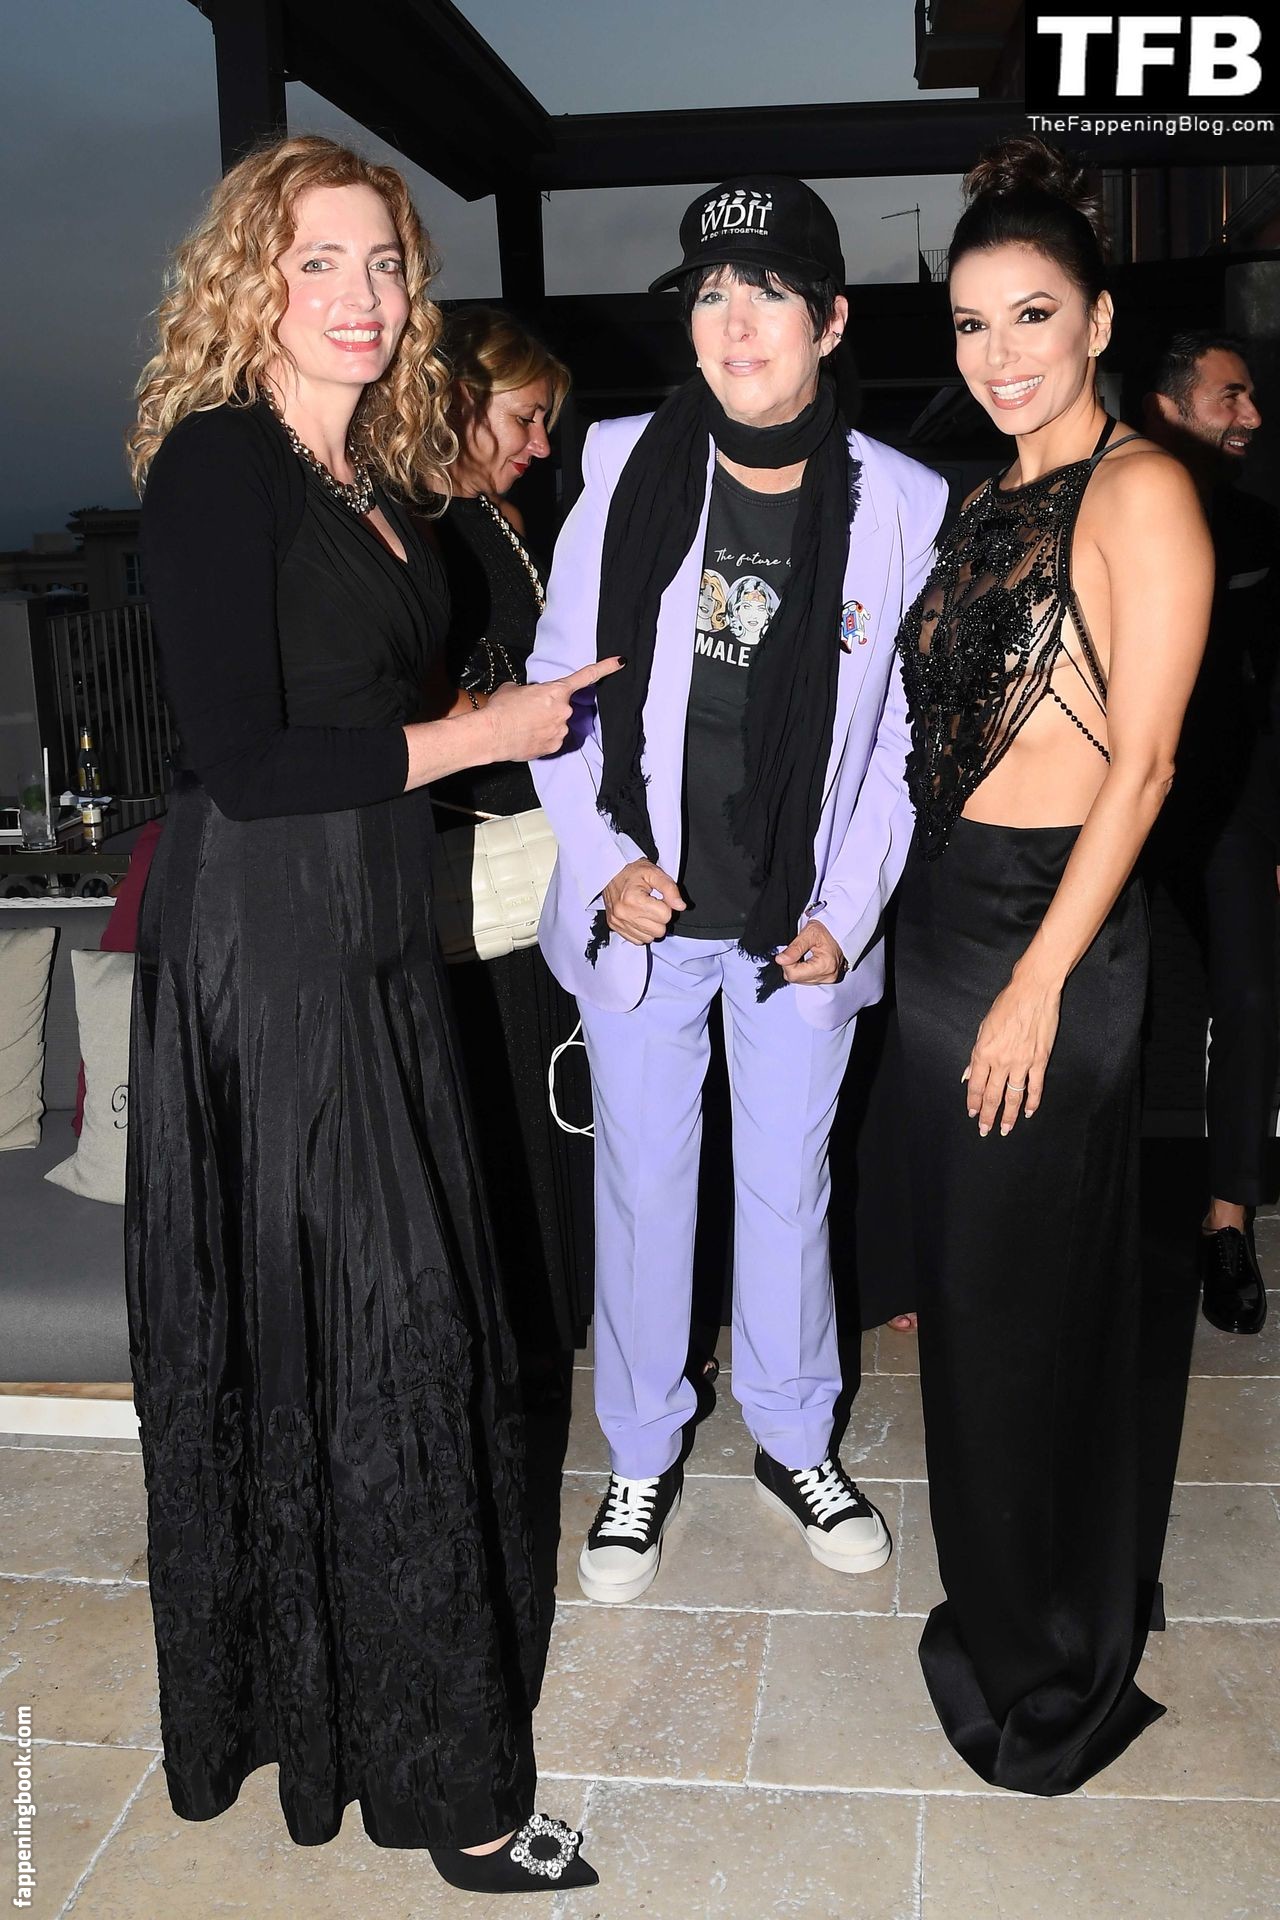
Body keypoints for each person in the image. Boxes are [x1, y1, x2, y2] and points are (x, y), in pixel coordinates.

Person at [124, 134, 618, 1892]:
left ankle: (375, 1708)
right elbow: (246, 760)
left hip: (382, 929)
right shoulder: (220, 462)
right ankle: (451, 1795)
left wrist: (513, 710)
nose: (360, 294)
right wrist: (483, 735)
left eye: (385, 264)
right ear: (250, 282)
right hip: (273, 942)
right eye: (320, 261)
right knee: (386, 1341)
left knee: (409, 1340)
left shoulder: (377, 477)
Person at [527, 175, 947, 1604]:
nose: (733, 321)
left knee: (785, 1192)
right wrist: (609, 866)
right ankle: (641, 1452)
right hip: (645, 917)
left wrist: (851, 906)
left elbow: (899, 740)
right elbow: (560, 694)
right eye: (710, 294)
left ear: (829, 321)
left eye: (766, 292)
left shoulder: (903, 503)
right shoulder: (622, 463)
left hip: (795, 925)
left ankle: (792, 1436)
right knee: (645, 1189)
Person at [893, 136, 1213, 1794]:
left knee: (1034, 1314)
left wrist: (1035, 983)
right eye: (971, 322)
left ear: (1096, 322)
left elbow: (1141, 770)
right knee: (973, 1307)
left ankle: (1058, 1664)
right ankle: (1006, 1604)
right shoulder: (980, 500)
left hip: (1052, 944)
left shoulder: (1143, 491)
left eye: (1032, 314)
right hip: (945, 932)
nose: (1000, 351)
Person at [428, 307, 594, 1374]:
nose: (539, 444)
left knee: (547, 1090)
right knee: (502, 1101)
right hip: (471, 859)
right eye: (526, 418)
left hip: (536, 849)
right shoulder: (417, 519)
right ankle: (521, 1340)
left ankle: (551, 1321)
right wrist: (503, 709)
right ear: (460, 401)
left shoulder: (494, 516)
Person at [1143, 333, 1274, 1336]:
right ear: (1170, 407)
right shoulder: (1108, 512)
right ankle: (1111, 1217)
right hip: (1114, 807)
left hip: (1232, 808)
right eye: (1230, 396)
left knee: (1249, 1000)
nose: (1251, 416)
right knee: (1122, 1012)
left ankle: (1226, 1221)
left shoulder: (1262, 530)